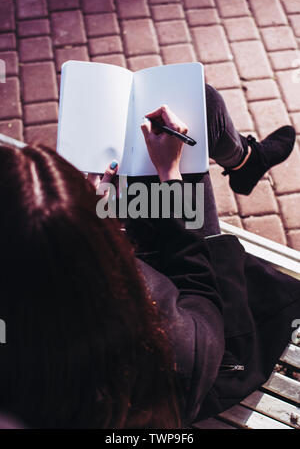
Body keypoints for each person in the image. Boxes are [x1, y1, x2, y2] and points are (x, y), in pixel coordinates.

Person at [0, 84, 298, 429]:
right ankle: (246, 161)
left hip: (127, 273)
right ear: (91, 247)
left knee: (184, 111)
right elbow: (198, 286)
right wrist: (170, 180)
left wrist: (97, 217)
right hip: (209, 326)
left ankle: (247, 161)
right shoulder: (167, 343)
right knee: (197, 108)